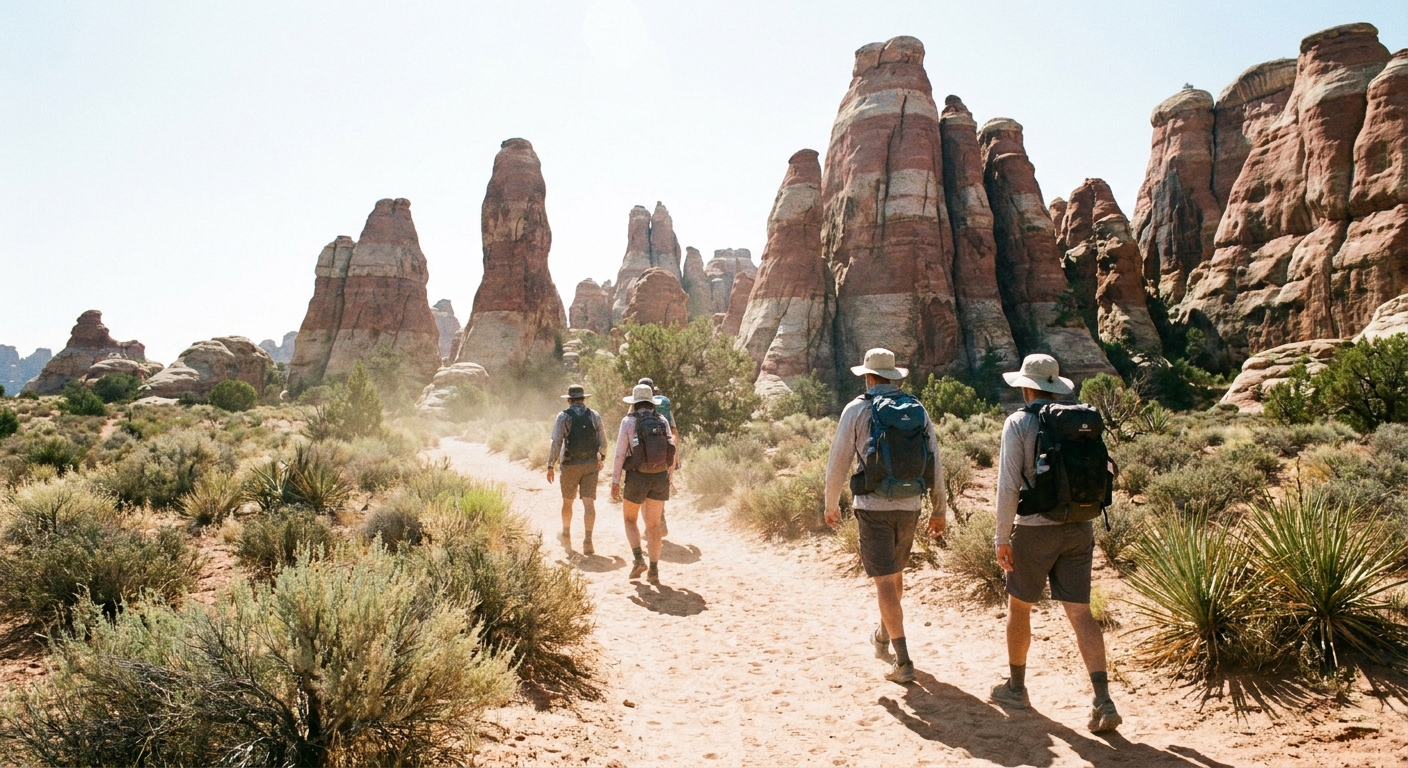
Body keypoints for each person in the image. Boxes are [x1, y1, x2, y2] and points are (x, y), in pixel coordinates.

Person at [989, 353, 1122, 733]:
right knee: (1081, 613)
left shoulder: (1018, 422)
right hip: (1080, 526)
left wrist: (1002, 536)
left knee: (1020, 607)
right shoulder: (1080, 422)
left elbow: (1007, 485)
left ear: (1026, 386)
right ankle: (1103, 698)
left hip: (1034, 529)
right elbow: (1110, 469)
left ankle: (1016, 688)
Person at [825, 348, 946, 684]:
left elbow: (838, 461)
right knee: (894, 576)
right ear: (893, 377)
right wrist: (939, 510)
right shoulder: (917, 409)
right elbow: (935, 462)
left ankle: (903, 661)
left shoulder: (857, 409)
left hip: (873, 508)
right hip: (910, 504)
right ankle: (882, 636)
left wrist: (830, 503)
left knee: (884, 583)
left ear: (867, 376)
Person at [611, 383, 677, 583]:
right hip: (659, 476)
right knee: (654, 525)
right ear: (651, 402)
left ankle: (639, 559)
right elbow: (671, 449)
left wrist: (615, 481)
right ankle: (654, 570)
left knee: (630, 519)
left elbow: (620, 453)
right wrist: (670, 477)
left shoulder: (628, 421)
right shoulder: (662, 419)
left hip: (637, 476)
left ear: (635, 402)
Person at [546, 384, 605, 555]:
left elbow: (556, 442)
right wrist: (602, 457)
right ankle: (588, 540)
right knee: (589, 503)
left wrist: (551, 464)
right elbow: (603, 440)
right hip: (590, 464)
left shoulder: (563, 416)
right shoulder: (594, 415)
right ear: (584, 399)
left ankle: (566, 533)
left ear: (570, 400)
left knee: (567, 502)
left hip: (570, 465)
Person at [638, 377, 677, 538]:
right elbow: (674, 432)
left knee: (643, 495)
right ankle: (660, 520)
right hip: (663, 455)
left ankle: (650, 528)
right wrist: (675, 457)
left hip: (643, 457)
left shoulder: (636, 407)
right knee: (659, 489)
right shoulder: (664, 405)